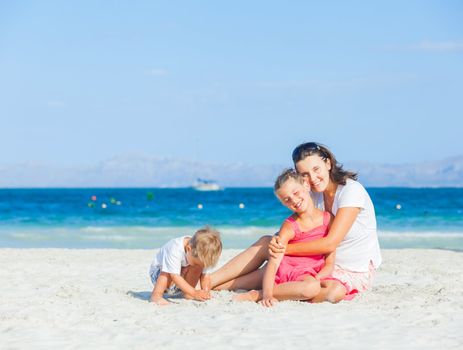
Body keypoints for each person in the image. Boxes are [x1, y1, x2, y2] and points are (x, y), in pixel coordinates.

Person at [210, 142, 382, 301]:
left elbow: (330, 243)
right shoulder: (313, 193)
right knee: (267, 243)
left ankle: (260, 293)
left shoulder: (351, 191)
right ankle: (210, 282)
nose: (313, 178)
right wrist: (278, 242)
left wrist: (284, 249)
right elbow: (300, 225)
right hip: (312, 262)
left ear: (328, 164)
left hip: (348, 269)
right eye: (305, 174)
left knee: (333, 292)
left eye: (316, 169)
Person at [235, 169, 346, 306]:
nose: (294, 200)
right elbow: (274, 263)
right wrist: (268, 295)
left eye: (295, 193)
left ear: (305, 185)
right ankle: (258, 294)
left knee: (338, 291)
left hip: (314, 274)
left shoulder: (328, 219)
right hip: (291, 272)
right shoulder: (289, 227)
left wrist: (318, 277)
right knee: (311, 288)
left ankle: (290, 293)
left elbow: (330, 262)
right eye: (287, 200)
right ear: (283, 203)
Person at [149, 226, 222, 305]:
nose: (197, 265)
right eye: (196, 262)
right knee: (168, 270)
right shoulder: (175, 248)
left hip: (179, 281)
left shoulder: (203, 253)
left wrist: (205, 292)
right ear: (188, 249)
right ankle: (156, 295)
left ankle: (188, 294)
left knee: (197, 267)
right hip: (159, 276)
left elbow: (205, 277)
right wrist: (194, 292)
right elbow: (174, 276)